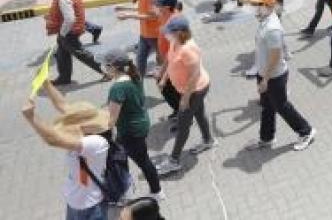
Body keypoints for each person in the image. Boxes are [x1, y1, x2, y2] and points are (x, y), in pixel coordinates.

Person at [21, 80, 111, 220]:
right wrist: (46, 84)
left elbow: (53, 140)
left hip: (91, 206)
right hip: (75, 201)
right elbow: (62, 105)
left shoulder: (97, 143)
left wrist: (32, 118)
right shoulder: (88, 134)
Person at [244, 0, 316, 152]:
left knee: (282, 107)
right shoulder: (265, 20)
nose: (255, 8)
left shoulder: (272, 28)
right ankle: (266, 138)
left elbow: (275, 56)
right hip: (264, 73)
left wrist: (265, 80)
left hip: (274, 76)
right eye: (255, 5)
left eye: (258, 5)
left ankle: (306, 132)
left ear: (267, 7)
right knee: (267, 107)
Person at [155, 16, 216, 176]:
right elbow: (170, 60)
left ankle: (174, 160)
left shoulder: (188, 49)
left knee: (183, 125)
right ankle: (208, 140)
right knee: (199, 114)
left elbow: (194, 75)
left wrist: (185, 98)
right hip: (187, 90)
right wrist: (164, 78)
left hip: (196, 90)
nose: (166, 35)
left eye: (169, 32)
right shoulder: (175, 42)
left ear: (179, 33)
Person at [102, 48, 162, 199]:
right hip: (140, 124)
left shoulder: (117, 88)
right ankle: (126, 188)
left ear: (114, 67)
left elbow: (111, 121)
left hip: (130, 131)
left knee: (142, 161)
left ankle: (157, 192)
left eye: (106, 65)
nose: (104, 69)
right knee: (121, 157)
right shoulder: (133, 77)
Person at [47, 0, 105, 85]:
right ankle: (64, 77)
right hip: (70, 30)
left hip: (69, 32)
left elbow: (70, 19)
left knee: (82, 54)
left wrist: (63, 33)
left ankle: (106, 71)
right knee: (62, 53)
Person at [116, 0, 164, 79]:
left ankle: (171, 89)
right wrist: (125, 7)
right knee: (140, 62)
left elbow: (155, 15)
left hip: (155, 34)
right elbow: (143, 8)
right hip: (145, 34)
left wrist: (129, 15)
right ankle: (138, 88)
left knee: (162, 63)